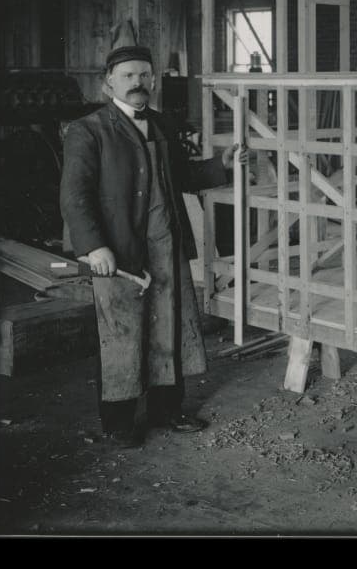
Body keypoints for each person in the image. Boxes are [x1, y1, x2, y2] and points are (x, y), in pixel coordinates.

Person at [60, 44, 248, 448]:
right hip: (119, 248)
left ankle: (167, 410)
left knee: (170, 328)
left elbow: (180, 177)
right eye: (128, 76)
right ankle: (118, 423)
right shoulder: (89, 129)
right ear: (109, 81)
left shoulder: (161, 123)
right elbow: (74, 195)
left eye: (145, 75)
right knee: (121, 334)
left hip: (166, 244)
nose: (138, 83)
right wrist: (94, 247)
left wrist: (222, 166)